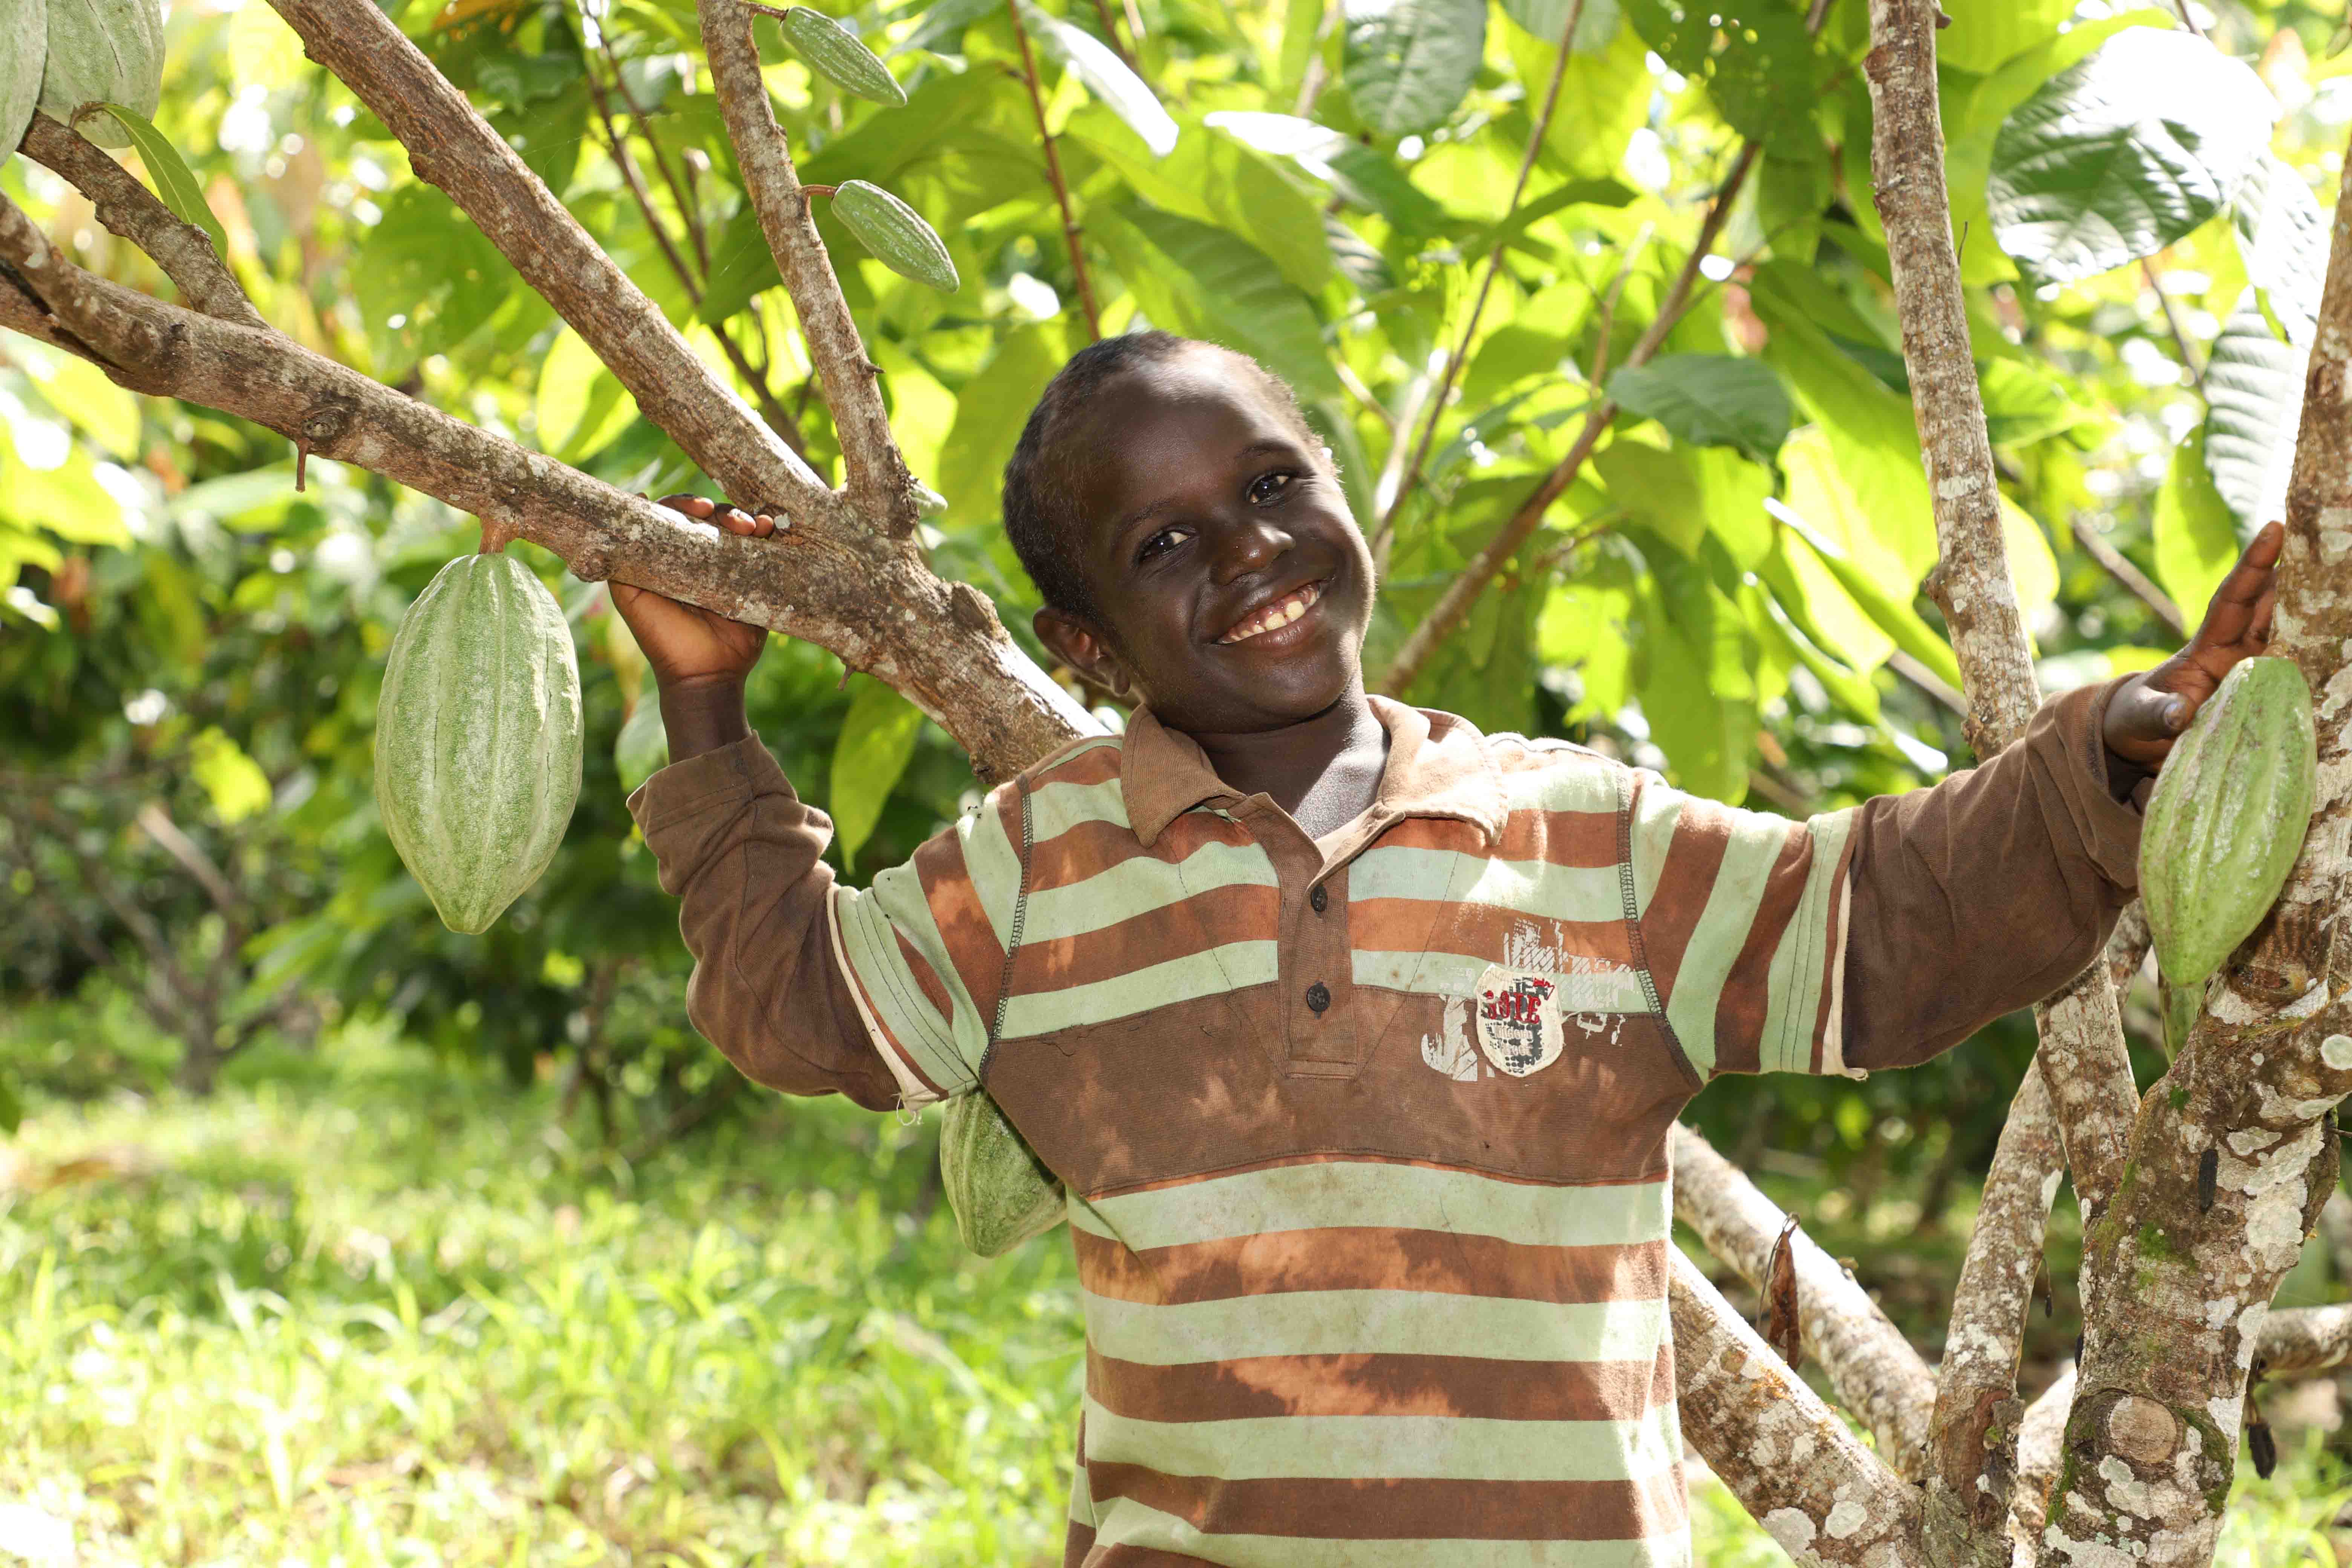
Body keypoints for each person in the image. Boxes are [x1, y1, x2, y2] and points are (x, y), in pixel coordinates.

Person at [611, 330, 2282, 1567]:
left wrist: (2101, 764)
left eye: (1275, 487)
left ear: (1338, 492)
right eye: (1166, 542)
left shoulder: (1579, 832)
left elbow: (1877, 919)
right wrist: (703, 705)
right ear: (1080, 642)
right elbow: (811, 1008)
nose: (1250, 548)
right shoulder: (1043, 862)